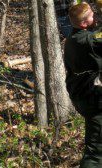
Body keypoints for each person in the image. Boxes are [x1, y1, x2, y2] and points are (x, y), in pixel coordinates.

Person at [64, 2, 102, 167]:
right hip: (93, 100)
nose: (95, 18)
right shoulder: (87, 40)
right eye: (92, 16)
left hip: (86, 97)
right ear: (84, 23)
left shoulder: (74, 37)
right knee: (95, 152)